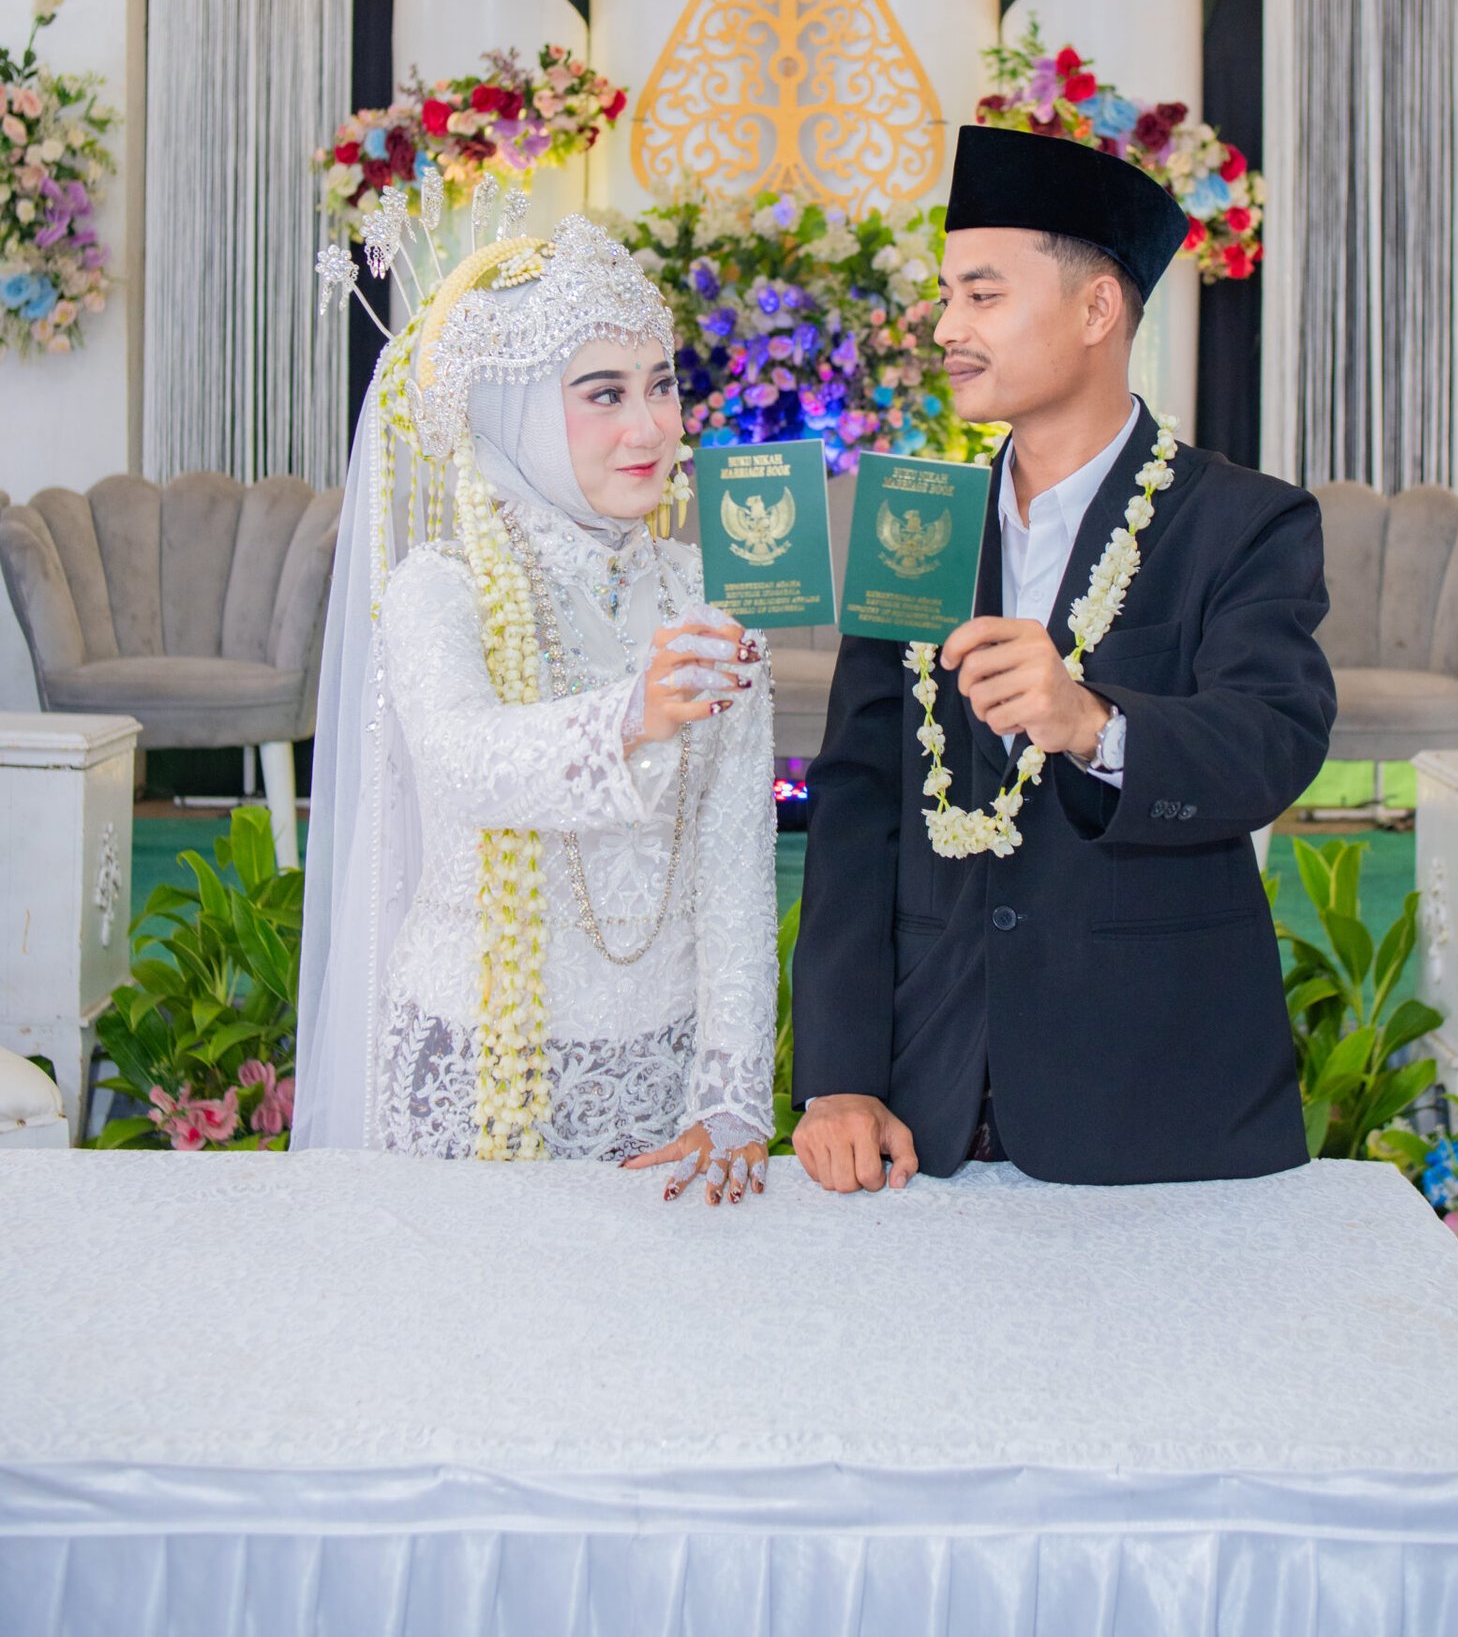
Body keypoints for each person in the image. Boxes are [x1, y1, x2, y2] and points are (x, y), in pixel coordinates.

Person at [791, 123, 1336, 1191]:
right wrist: (840, 1077)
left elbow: (1274, 743)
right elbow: (857, 803)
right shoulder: (920, 526)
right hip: (926, 1115)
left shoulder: (1242, 522)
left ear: (1096, 310)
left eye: (983, 296)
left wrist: (1093, 722)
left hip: (1159, 1098)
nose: (947, 327)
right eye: (945, 296)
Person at [294, 212, 777, 1204]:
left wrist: (731, 1094)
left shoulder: (704, 592)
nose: (650, 427)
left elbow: (736, 862)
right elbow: (461, 763)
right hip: (475, 1067)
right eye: (604, 394)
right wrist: (631, 717)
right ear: (510, 411)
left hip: (660, 1080)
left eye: (660, 386)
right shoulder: (443, 588)